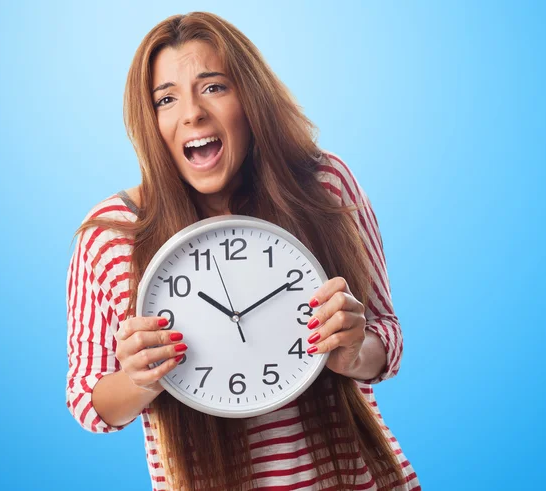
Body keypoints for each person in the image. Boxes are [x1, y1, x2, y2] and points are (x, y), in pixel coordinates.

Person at [65, 11, 420, 491]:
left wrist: (354, 352)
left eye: (213, 87)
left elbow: (387, 339)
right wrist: (140, 379)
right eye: (166, 99)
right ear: (151, 122)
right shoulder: (112, 234)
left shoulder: (325, 185)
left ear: (250, 97)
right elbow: (90, 403)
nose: (191, 112)